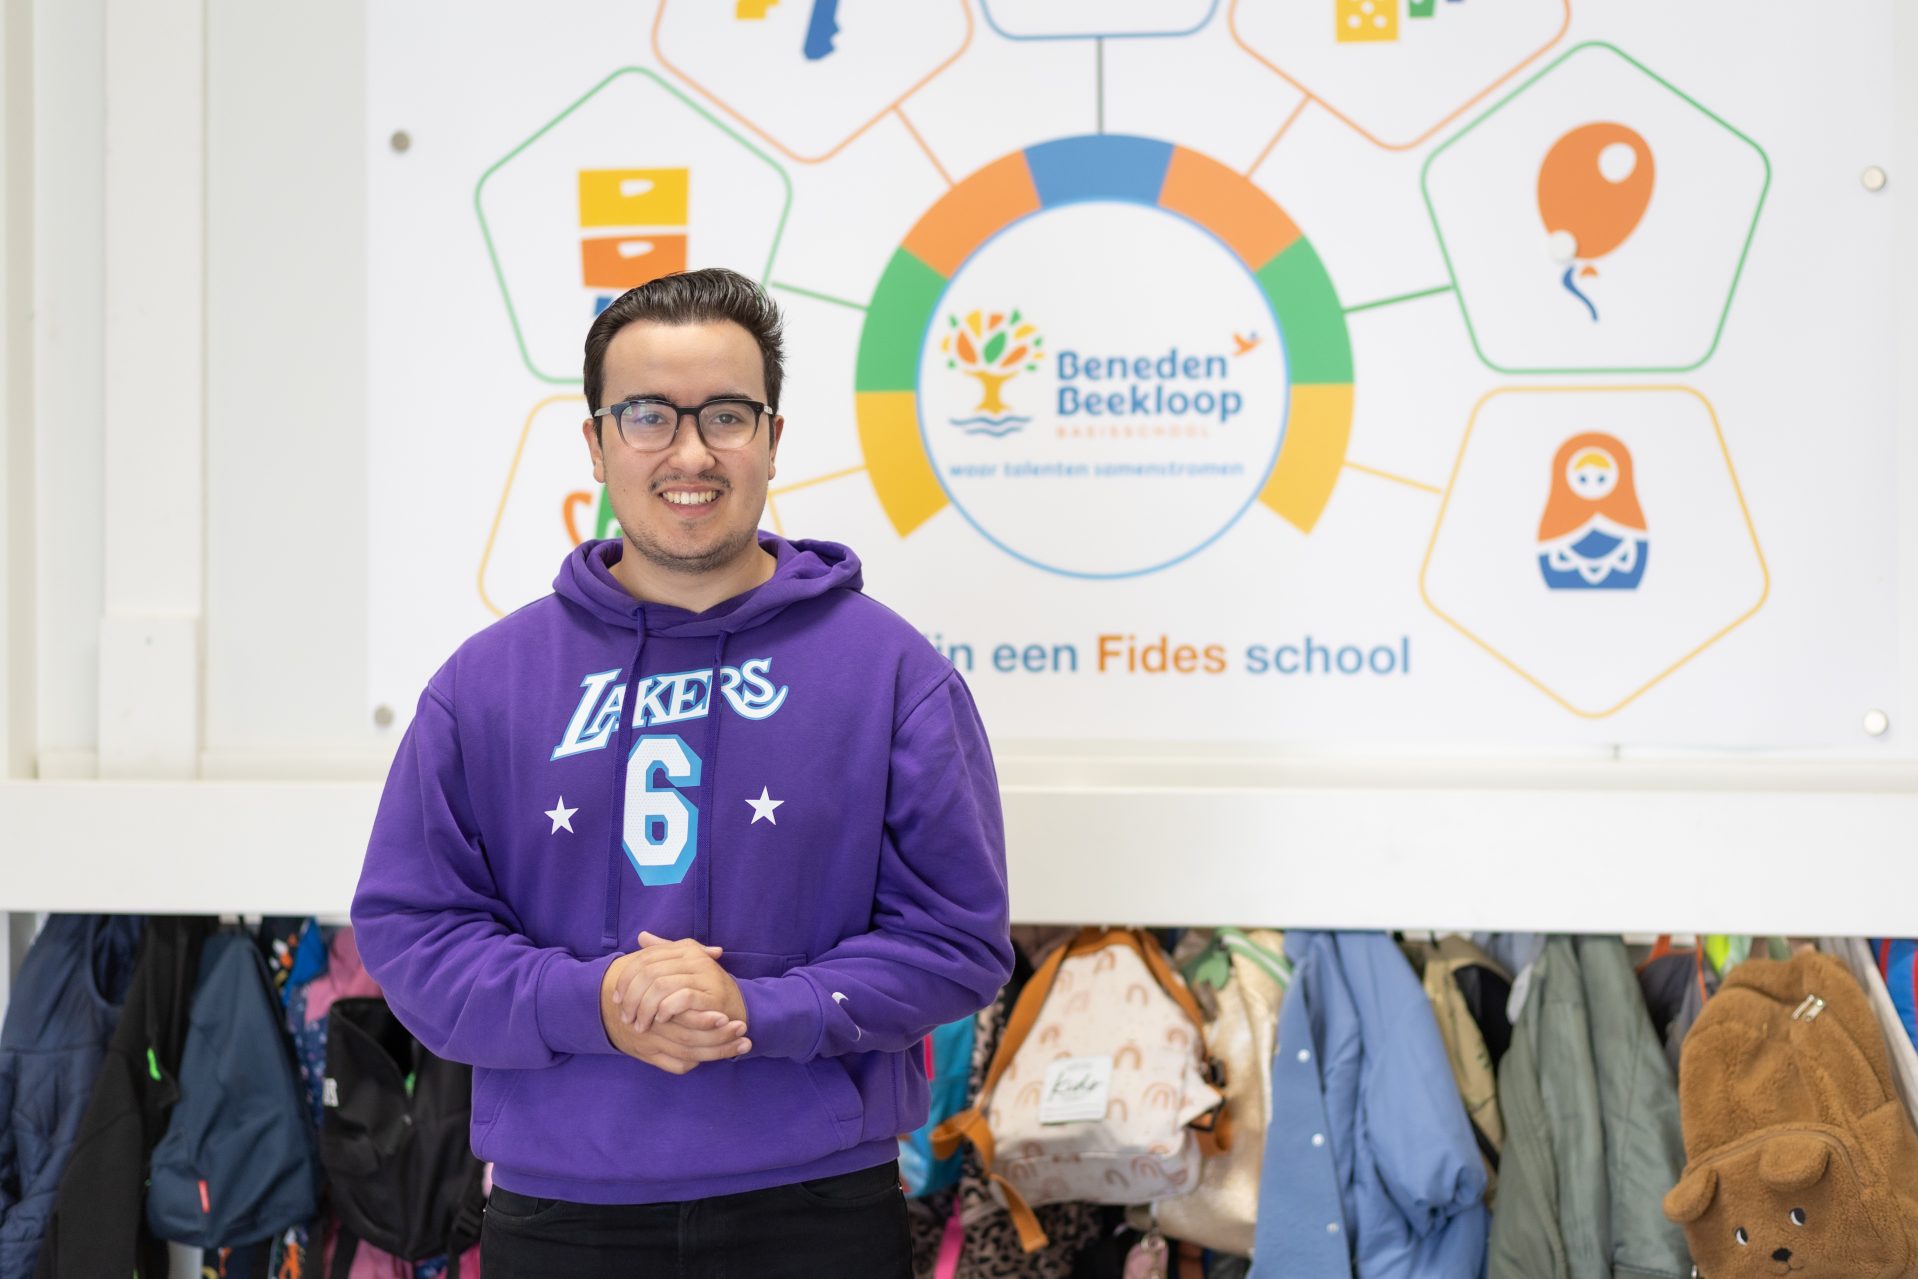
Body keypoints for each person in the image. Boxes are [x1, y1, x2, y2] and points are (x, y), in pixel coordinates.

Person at [352, 267, 1014, 1277]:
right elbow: (412, 934)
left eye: (727, 415)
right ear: (597, 442)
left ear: (773, 439)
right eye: (649, 415)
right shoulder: (484, 685)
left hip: (818, 1208)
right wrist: (597, 1000)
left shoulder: (893, 673)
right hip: (561, 1210)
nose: (692, 452)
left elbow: (956, 940)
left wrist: (760, 1011)